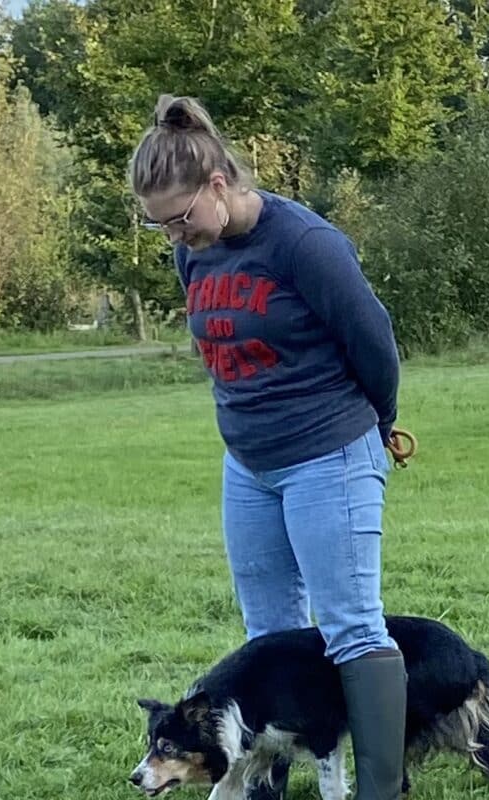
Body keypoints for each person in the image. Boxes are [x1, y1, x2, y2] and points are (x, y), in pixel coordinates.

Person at [129, 95, 406, 800]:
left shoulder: (305, 244)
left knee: (350, 626)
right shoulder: (195, 253)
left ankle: (380, 789)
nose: (174, 236)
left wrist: (377, 428)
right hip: (248, 466)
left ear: (218, 184)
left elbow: (374, 344)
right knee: (270, 634)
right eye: (160, 225)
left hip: (329, 452)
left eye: (180, 217)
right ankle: (265, 785)